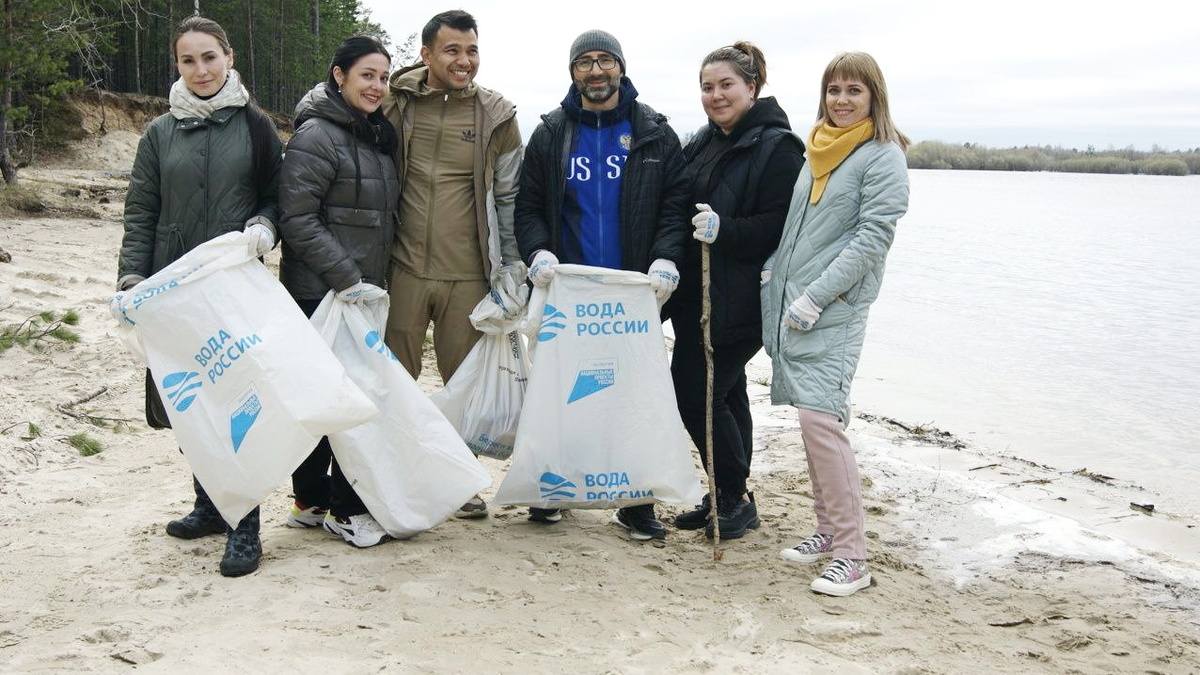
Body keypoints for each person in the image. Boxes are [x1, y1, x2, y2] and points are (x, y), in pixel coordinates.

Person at [115, 16, 282, 577]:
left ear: (229, 57)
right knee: (190, 403)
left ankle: (245, 526)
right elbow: (141, 211)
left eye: (209, 57)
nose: (201, 69)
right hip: (175, 288)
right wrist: (131, 278)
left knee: (236, 405)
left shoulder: (257, 126)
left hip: (234, 289)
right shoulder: (159, 133)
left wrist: (265, 226)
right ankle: (209, 506)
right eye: (189, 60)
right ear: (178, 65)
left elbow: (276, 196)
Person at [514, 29, 689, 540]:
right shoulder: (551, 133)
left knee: (633, 399)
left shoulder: (654, 132)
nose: (596, 71)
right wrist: (537, 252)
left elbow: (675, 205)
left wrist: (667, 257)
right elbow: (528, 206)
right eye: (585, 62)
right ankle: (553, 490)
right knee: (562, 393)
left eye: (605, 60)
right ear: (573, 72)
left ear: (621, 67)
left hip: (633, 294)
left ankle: (636, 502)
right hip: (569, 292)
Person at [761, 52, 909, 596]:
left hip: (834, 310)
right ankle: (827, 532)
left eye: (854, 91)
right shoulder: (819, 150)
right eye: (834, 90)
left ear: (874, 97)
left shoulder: (883, 156)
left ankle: (853, 556)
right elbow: (799, 228)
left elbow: (872, 240)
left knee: (823, 423)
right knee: (809, 421)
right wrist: (773, 271)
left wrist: (817, 297)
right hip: (795, 304)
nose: (842, 100)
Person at [380, 10, 524, 520]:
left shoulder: (497, 115)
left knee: (464, 385)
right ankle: (395, 475)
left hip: (469, 274)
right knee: (394, 377)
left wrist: (512, 267)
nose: (465, 61)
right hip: (402, 268)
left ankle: (459, 481)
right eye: (452, 50)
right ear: (426, 55)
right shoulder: (395, 102)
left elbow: (508, 197)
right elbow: (334, 102)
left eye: (472, 50)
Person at [665, 42, 804, 540]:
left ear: (752, 87)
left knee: (696, 392)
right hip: (697, 297)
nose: (716, 95)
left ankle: (732, 496)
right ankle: (730, 494)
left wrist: (725, 230)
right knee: (728, 392)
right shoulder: (705, 140)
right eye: (707, 87)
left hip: (742, 299)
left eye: (726, 85)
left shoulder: (779, 147)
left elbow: (781, 226)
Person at [277, 35, 400, 548]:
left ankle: (311, 502)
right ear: (339, 76)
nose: (377, 86)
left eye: (383, 78)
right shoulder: (317, 135)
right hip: (321, 294)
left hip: (355, 292)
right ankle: (345, 511)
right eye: (367, 75)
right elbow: (297, 218)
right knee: (345, 403)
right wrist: (347, 278)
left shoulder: (373, 135)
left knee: (329, 399)